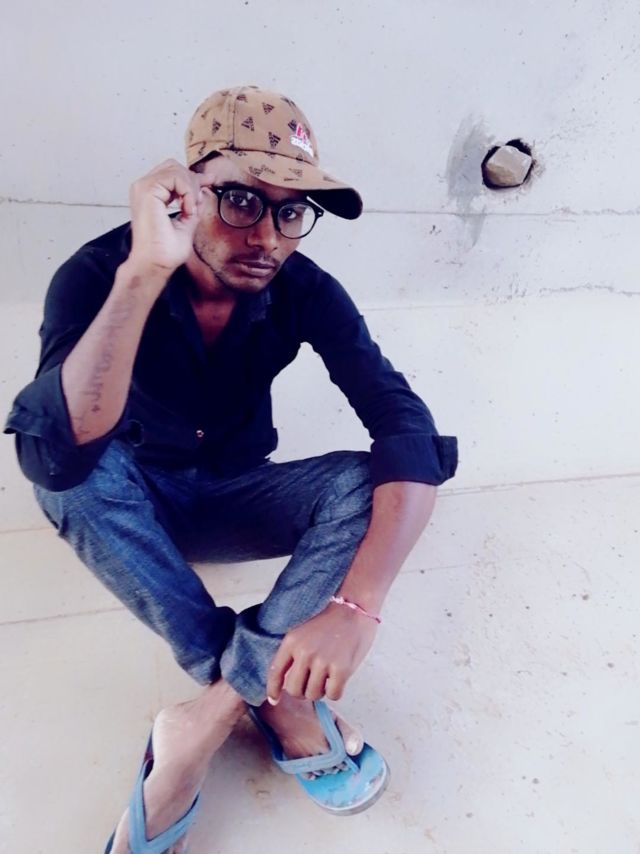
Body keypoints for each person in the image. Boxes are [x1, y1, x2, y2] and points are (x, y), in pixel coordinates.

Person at [4, 85, 458, 852]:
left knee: (363, 482)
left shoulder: (306, 290)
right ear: (186, 190)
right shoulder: (99, 272)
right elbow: (57, 450)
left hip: (233, 495)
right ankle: (275, 694)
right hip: (132, 507)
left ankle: (203, 722)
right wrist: (146, 271)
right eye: (242, 200)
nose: (268, 238)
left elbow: (401, 422)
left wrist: (358, 609)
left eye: (291, 211)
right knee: (69, 478)